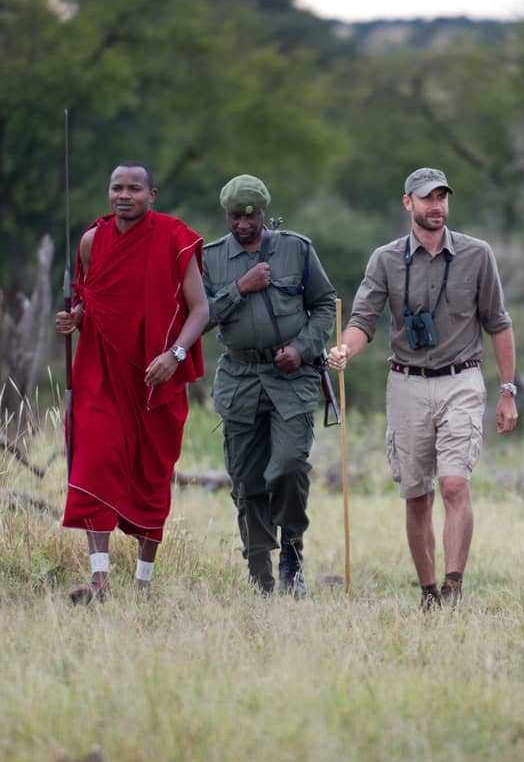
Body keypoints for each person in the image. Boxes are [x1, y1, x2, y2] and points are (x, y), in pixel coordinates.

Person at [327, 167, 519, 611]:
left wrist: (507, 390)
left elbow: (499, 323)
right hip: (407, 383)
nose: (436, 206)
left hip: (462, 379)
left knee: (454, 484)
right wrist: (344, 351)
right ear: (407, 202)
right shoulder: (386, 259)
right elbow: (362, 321)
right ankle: (428, 591)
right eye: (427, 198)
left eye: (442, 198)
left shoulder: (477, 254)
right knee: (417, 494)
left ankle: (454, 586)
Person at [55, 161, 209, 602]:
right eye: (116, 187)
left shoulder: (174, 237)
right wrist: (75, 317)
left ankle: (143, 582)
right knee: (94, 463)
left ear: (151, 194)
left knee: (152, 473)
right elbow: (91, 299)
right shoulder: (91, 241)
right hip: (100, 374)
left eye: (134, 188)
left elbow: (201, 310)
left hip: (154, 378)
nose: (124, 195)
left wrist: (174, 355)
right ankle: (99, 579)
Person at [202, 175, 338, 596]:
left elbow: (324, 304)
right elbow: (200, 316)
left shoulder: (296, 248)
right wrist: (239, 288)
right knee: (246, 479)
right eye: (234, 217)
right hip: (240, 377)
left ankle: (292, 556)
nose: (242, 224)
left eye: (250, 215)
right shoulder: (210, 257)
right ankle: (259, 571)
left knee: (288, 467)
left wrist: (302, 348)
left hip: (291, 378)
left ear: (263, 212)